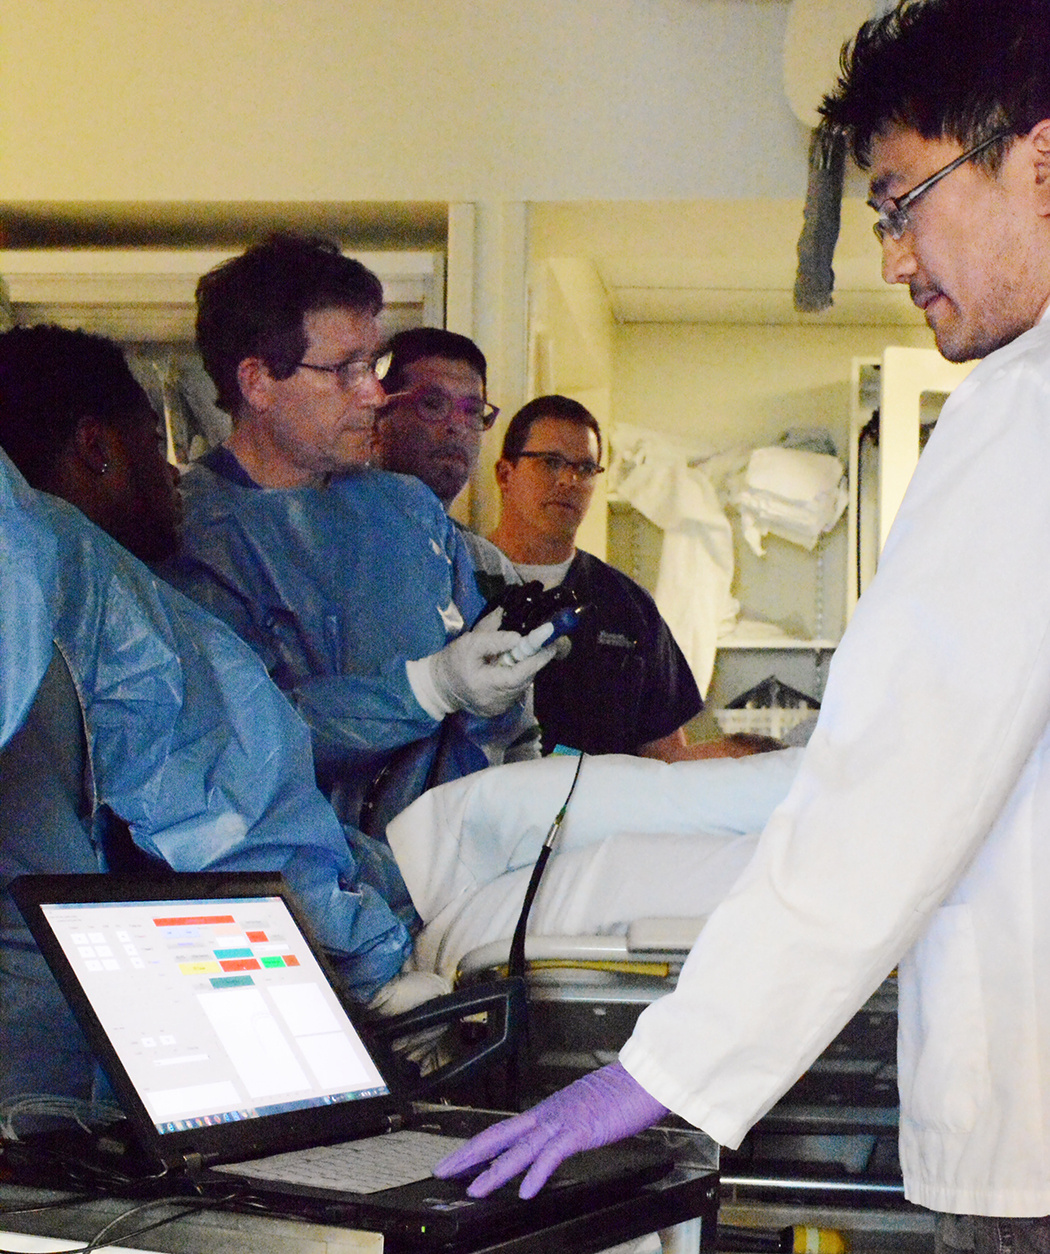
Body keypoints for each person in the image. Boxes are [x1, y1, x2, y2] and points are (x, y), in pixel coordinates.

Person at [436, 0, 1050, 1241]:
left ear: (1038, 162)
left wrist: (660, 1070)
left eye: (899, 198)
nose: (889, 254)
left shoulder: (1024, 409)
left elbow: (893, 784)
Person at [0, 325, 414, 1110]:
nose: (172, 473)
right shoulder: (83, 580)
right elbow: (237, 816)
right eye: (152, 443)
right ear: (96, 445)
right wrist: (379, 961)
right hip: (35, 1082)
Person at [162, 236, 554, 888]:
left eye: (373, 364)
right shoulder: (196, 544)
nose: (374, 395)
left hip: (466, 891)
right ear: (257, 381)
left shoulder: (407, 513)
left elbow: (503, 734)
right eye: (345, 369)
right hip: (312, 913)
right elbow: (243, 753)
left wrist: (497, 691)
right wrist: (429, 688)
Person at [487, 396, 764, 760]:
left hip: (594, 815)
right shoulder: (460, 579)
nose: (569, 480)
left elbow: (663, 758)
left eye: (585, 469)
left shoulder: (627, 608)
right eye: (551, 463)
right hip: (473, 809)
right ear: (506, 475)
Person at [374, 326, 526, 598]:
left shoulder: (490, 571)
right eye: (433, 404)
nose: (457, 425)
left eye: (472, 411)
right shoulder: (336, 541)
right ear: (379, 416)